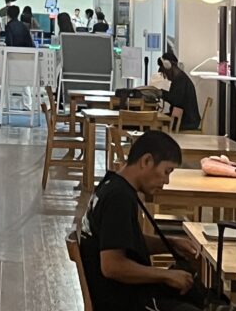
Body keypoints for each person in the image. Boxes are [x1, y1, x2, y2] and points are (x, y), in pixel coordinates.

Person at [80, 130, 199, 311]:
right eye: (166, 171)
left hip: (121, 293)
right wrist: (165, 276)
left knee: (193, 289)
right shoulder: (118, 198)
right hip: (121, 301)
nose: (166, 181)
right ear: (146, 161)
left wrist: (171, 244)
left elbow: (126, 241)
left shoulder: (112, 185)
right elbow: (112, 266)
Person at [158, 53, 201, 131]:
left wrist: (160, 93)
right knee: (158, 120)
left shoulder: (180, 80)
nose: (166, 76)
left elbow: (175, 100)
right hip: (186, 118)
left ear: (169, 66)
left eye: (165, 73)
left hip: (188, 121)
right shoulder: (180, 78)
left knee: (156, 122)